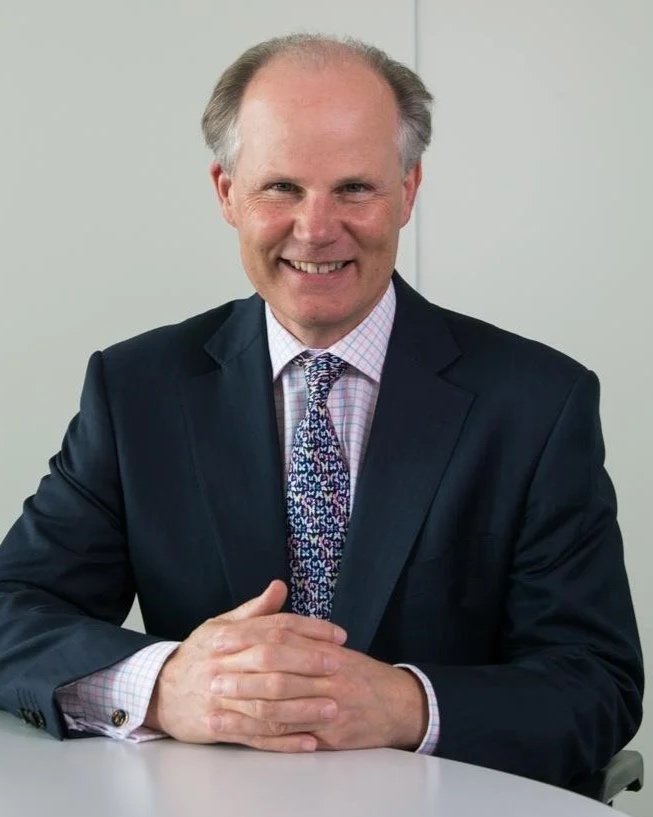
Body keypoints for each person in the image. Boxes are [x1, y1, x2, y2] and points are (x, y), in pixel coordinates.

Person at [0, 33, 643, 790]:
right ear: (225, 192)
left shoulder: (537, 402)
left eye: (354, 188)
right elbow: (13, 612)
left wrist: (404, 702)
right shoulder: (136, 389)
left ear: (407, 190)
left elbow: (594, 683)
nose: (315, 228)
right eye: (280, 187)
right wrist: (163, 682)